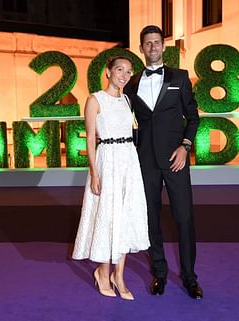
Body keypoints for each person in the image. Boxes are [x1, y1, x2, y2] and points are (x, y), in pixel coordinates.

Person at [123, 25, 203, 299]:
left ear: (163, 47)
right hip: (144, 162)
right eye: (148, 43)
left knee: (184, 218)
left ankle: (190, 278)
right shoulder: (131, 85)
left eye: (157, 42)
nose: (153, 47)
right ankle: (159, 272)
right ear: (141, 48)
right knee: (151, 219)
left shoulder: (180, 78)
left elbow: (193, 118)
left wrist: (185, 146)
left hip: (176, 160)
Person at [72, 56, 150, 301]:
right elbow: (90, 139)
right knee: (108, 215)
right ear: (108, 72)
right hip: (107, 159)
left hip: (128, 160)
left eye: (128, 71)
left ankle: (120, 276)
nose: (124, 75)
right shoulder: (95, 99)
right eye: (119, 69)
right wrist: (95, 172)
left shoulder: (128, 99)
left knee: (125, 215)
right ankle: (103, 274)